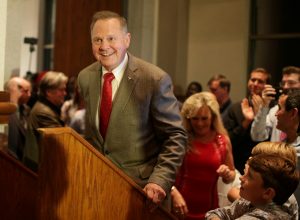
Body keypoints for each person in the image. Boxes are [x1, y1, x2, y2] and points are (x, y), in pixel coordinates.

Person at [77, 10, 187, 208]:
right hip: (96, 190)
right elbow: (94, 137)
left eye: (111, 38)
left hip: (142, 194)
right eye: (97, 40)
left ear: (127, 40)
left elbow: (175, 137)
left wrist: (159, 180)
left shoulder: (154, 79)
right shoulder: (85, 77)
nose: (104, 47)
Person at [171, 92, 235, 219]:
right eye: (195, 118)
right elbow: (166, 173)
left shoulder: (222, 141)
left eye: (204, 118)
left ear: (213, 117)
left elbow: (231, 173)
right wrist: (173, 193)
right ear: (188, 119)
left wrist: (227, 174)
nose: (200, 123)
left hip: (209, 211)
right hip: (178, 207)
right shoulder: (180, 139)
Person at [205, 152, 299, 219]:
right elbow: (216, 213)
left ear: (267, 193)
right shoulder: (253, 200)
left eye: (249, 176)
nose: (241, 178)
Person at [227, 142, 299, 220]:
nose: (250, 159)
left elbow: (232, 194)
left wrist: (243, 201)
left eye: (257, 157)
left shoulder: (283, 203)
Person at [224, 68, 271, 174]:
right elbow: (228, 141)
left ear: (267, 86)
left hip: (264, 167)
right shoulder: (236, 108)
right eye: (252, 80)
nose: (255, 84)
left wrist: (261, 113)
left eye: (260, 81)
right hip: (238, 166)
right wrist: (246, 121)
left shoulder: (273, 109)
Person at [23, 71, 68, 169]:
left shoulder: (46, 107)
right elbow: (62, 142)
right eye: (62, 90)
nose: (65, 93)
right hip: (40, 168)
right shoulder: (44, 112)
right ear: (49, 92)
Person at [251, 66, 300, 143]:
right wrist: (264, 106)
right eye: (283, 83)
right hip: (276, 154)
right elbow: (257, 136)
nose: (285, 87)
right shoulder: (275, 110)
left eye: (291, 83)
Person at [4, 77, 32, 160]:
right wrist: (13, 99)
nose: (30, 95)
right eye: (26, 91)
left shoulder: (26, 109)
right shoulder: (4, 109)